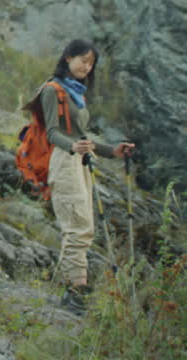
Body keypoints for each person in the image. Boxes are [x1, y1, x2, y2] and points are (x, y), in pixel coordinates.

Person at [40, 39, 133, 314]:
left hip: (80, 160)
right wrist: (73, 147)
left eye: (91, 63)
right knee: (77, 226)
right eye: (83, 59)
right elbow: (52, 133)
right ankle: (75, 291)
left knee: (84, 227)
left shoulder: (76, 94)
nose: (86, 66)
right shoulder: (52, 90)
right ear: (68, 57)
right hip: (65, 160)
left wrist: (112, 151)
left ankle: (71, 289)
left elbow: (82, 137)